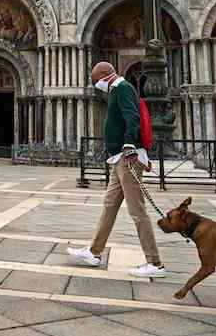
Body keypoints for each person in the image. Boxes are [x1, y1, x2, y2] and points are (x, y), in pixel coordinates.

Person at [67, 61, 166, 278]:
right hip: (118, 158)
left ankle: (155, 263)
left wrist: (130, 143)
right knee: (109, 205)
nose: (96, 85)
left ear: (105, 75)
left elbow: (132, 117)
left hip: (127, 157)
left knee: (137, 211)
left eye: (96, 81)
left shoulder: (123, 88)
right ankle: (94, 252)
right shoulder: (115, 90)